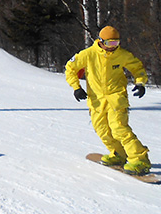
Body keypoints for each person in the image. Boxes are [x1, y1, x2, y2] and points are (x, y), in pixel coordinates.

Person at [65, 25, 151, 175]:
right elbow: (70, 68)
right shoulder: (88, 54)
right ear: (101, 41)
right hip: (96, 100)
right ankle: (118, 154)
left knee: (119, 129)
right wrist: (76, 87)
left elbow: (137, 68)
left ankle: (140, 160)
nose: (113, 47)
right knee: (102, 130)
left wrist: (140, 82)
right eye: (110, 43)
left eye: (116, 43)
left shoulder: (122, 55)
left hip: (116, 98)